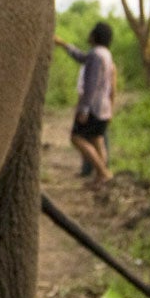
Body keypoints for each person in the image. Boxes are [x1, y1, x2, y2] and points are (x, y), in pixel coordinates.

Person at [54, 20, 116, 183]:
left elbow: (91, 86)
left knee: (77, 138)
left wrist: (84, 109)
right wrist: (64, 45)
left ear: (95, 36)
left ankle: (102, 172)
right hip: (104, 107)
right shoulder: (106, 54)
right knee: (97, 139)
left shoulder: (95, 55)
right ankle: (101, 177)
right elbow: (81, 57)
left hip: (93, 108)